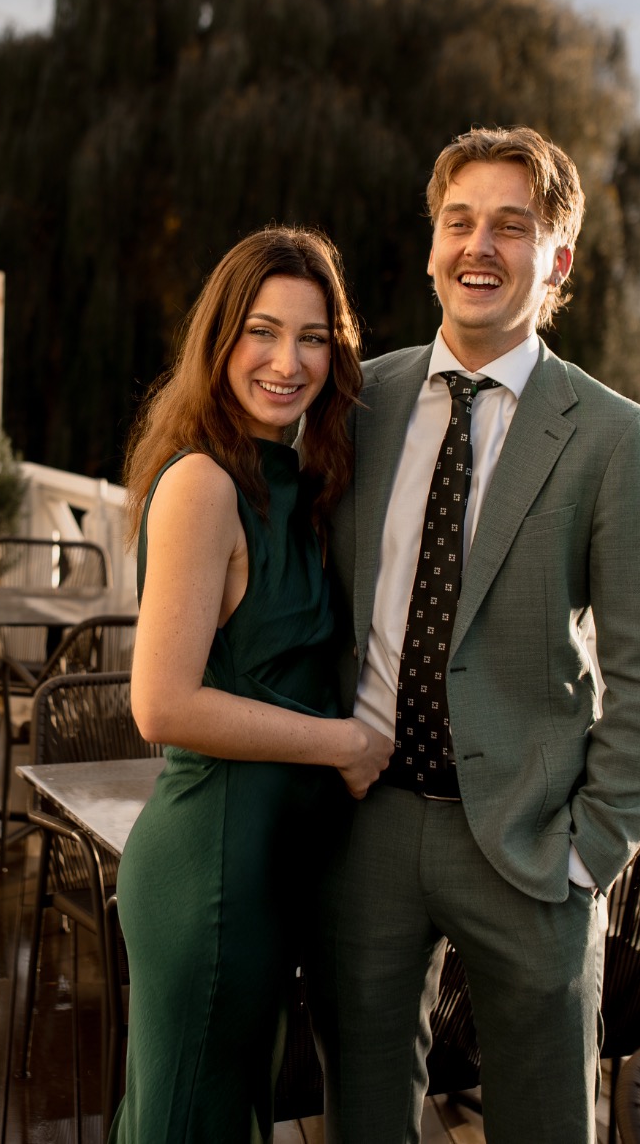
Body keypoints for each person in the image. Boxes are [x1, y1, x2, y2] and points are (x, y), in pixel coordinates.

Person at [315, 126, 640, 1144]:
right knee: (360, 1116)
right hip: (365, 825)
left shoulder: (614, 437)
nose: (479, 246)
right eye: (460, 221)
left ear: (556, 260)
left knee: (543, 1123)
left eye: (512, 227)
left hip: (531, 842)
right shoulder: (357, 402)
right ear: (432, 247)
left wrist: (591, 849)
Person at [114, 227, 391, 1143]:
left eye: (313, 338)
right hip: (213, 874)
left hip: (267, 872)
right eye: (262, 332)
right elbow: (162, 704)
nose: (286, 361)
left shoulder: (296, 481)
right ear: (220, 338)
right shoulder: (204, 482)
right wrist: (343, 741)